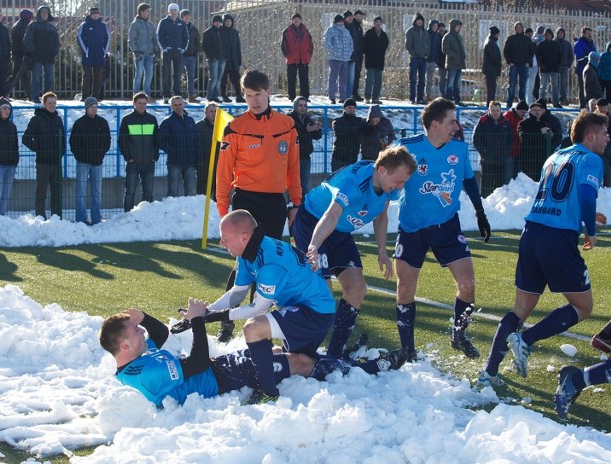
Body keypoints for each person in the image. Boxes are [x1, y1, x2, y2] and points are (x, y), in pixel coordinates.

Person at [478, 110, 607, 388]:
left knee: (521, 308)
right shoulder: (592, 159)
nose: (608, 138)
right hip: (557, 238)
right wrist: (591, 230)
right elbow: (585, 193)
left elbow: (559, 196)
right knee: (583, 306)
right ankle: (526, 340)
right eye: (605, 133)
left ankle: (489, 372)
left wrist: (585, 214)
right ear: (591, 135)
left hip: (532, 231)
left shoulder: (555, 156)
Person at [99, 305, 406, 408]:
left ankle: (346, 363)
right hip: (222, 379)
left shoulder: (137, 356)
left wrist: (144, 316)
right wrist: (196, 321)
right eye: (136, 330)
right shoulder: (146, 375)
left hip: (221, 369)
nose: (142, 331)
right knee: (298, 363)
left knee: (279, 352)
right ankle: (367, 369)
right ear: (124, 346)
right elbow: (197, 363)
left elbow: (162, 336)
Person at [194, 209, 338, 405]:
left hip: (315, 313)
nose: (221, 243)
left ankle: (268, 392)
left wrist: (216, 316)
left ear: (244, 237)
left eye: (224, 238)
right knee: (297, 360)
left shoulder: (269, 262)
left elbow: (258, 308)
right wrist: (207, 311)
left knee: (253, 328)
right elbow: (237, 292)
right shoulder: (249, 251)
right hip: (303, 308)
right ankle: (360, 366)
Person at [393, 98, 492, 362]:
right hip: (412, 228)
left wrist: (481, 214)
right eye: (451, 121)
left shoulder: (458, 149)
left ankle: (458, 334)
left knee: (468, 284)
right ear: (435, 124)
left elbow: (469, 181)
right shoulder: (406, 149)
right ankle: (407, 349)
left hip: (447, 226)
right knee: (405, 289)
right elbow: (385, 177)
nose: (456, 126)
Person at [293, 147, 416, 357]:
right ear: (382, 170)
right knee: (322, 294)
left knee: (357, 288)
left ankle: (334, 353)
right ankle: (299, 351)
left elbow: (381, 216)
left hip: (340, 231)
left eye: (404, 182)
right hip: (313, 223)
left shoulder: (389, 187)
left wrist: (382, 251)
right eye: (399, 181)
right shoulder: (353, 183)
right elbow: (330, 216)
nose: (400, 187)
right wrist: (313, 245)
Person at [214, 70, 300, 342]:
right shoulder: (235, 127)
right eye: (249, 96)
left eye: (258, 95)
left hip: (275, 203)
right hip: (246, 202)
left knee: (267, 265)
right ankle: (225, 324)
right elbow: (223, 173)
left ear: (268, 92)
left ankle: (256, 329)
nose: (254, 101)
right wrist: (223, 215)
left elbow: (294, 168)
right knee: (244, 265)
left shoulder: (287, 124)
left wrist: (296, 202)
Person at [22, 92, 65, 219]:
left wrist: (61, 152)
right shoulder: (36, 119)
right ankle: (40, 217)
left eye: (54, 103)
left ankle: (56, 218)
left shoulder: (58, 119)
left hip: (56, 162)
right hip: (43, 162)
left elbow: (62, 139)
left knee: (56, 192)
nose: (52, 106)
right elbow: (26, 139)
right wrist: (39, 149)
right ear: (44, 104)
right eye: (49, 103)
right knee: (41, 192)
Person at [69, 97, 111, 225]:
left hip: (97, 162)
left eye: (96, 107)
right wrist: (81, 157)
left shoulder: (102, 123)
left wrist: (100, 155)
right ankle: (81, 218)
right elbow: (74, 143)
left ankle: (96, 218)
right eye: (91, 107)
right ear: (86, 108)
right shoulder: (79, 123)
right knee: (80, 191)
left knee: (96, 192)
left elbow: (107, 141)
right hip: (82, 162)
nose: (94, 109)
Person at [118, 92, 160, 212]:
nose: (142, 105)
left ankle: (146, 215)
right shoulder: (127, 120)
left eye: (144, 103)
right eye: (139, 103)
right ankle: (127, 215)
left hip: (149, 162)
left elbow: (157, 139)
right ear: (134, 103)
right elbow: (122, 140)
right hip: (133, 162)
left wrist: (154, 156)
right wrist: (128, 157)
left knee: (148, 192)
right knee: (130, 191)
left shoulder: (152, 119)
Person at [159, 96, 202, 197]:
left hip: (190, 161)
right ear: (171, 107)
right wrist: (173, 152)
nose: (178, 107)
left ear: (184, 104)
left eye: (180, 104)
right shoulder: (167, 122)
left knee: (191, 192)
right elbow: (161, 141)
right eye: (175, 105)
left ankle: (190, 212)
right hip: (175, 162)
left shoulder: (190, 121)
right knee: (173, 192)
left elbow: (197, 139)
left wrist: (198, 157)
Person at [472, 101, 512, 197]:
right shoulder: (483, 121)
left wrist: (505, 152)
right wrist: (484, 153)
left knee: (499, 186)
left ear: (500, 110)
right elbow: (476, 139)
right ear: (489, 110)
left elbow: (510, 140)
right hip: (487, 161)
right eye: (493, 110)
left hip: (501, 160)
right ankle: (485, 206)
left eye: (497, 110)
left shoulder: (505, 122)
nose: (495, 112)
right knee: (486, 186)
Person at [24, 5, 60, 104]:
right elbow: (27, 39)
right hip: (37, 56)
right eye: (43, 13)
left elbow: (57, 41)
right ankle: (35, 97)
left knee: (49, 78)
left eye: (46, 13)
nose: (45, 14)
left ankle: (47, 98)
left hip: (49, 56)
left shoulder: (52, 28)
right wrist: (33, 50)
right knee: (36, 77)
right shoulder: (33, 25)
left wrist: (56, 50)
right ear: (39, 14)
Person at [289, 96, 322, 199]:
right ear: (295, 106)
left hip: (306, 157)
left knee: (305, 185)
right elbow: (293, 135)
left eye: (304, 105)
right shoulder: (290, 119)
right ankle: (292, 206)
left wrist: (316, 129)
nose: (302, 108)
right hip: (293, 157)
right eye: (300, 105)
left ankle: (303, 207)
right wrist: (307, 131)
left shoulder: (307, 119)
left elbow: (317, 136)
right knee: (293, 184)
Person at [157, 3, 188, 104]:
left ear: (178, 11)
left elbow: (186, 38)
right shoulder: (164, 22)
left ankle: (177, 95)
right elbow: (159, 36)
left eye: (175, 9)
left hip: (178, 52)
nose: (173, 11)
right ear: (169, 11)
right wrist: (164, 48)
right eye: (172, 10)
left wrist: (182, 48)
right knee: (166, 74)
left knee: (178, 74)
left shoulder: (182, 23)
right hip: (167, 52)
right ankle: (166, 95)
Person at [129, 3, 161, 98]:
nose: (149, 13)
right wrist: (135, 52)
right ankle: (136, 95)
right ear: (141, 12)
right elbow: (131, 40)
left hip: (149, 54)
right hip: (140, 54)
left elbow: (154, 40)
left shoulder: (150, 25)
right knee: (139, 74)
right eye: (147, 11)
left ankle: (147, 95)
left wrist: (156, 52)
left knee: (149, 75)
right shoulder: (135, 24)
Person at [77, 7, 110, 101]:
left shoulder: (103, 26)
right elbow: (79, 37)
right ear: (90, 14)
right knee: (87, 76)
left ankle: (96, 97)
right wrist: (85, 50)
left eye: (97, 13)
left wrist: (104, 51)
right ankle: (85, 97)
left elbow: (107, 38)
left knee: (98, 76)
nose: (95, 15)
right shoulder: (85, 25)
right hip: (88, 55)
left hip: (99, 55)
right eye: (93, 13)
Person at [281, 13, 313, 102]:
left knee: (304, 79)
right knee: (291, 79)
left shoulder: (306, 31)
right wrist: (288, 55)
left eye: (298, 19)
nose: (296, 20)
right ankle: (291, 97)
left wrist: (309, 55)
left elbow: (310, 44)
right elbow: (283, 45)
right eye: (295, 19)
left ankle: (305, 97)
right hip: (292, 59)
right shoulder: (287, 31)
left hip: (304, 58)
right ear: (292, 20)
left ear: (300, 20)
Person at [518, 101, 551, 181]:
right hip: (529, 158)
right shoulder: (523, 123)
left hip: (542, 157)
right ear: (530, 111)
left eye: (539, 110)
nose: (537, 112)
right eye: (535, 110)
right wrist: (540, 132)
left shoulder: (545, 124)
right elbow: (523, 136)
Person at [324, 14, 353, 105]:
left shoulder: (346, 31)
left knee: (344, 79)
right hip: (335, 58)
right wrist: (335, 51)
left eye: (341, 21)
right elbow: (327, 42)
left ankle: (342, 97)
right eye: (338, 21)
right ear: (335, 22)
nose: (340, 23)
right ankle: (332, 96)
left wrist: (349, 52)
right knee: (333, 78)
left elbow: (351, 43)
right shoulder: (330, 30)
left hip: (345, 59)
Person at [503, 22, 534, 109]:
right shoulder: (511, 39)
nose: (519, 29)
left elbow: (531, 51)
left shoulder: (527, 39)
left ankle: (522, 102)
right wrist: (509, 62)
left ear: (522, 28)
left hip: (524, 65)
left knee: (523, 85)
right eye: (517, 27)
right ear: (515, 29)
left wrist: (528, 62)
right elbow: (506, 51)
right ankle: (510, 101)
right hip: (514, 66)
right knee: (512, 84)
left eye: (520, 27)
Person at [331, 98, 366, 172]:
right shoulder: (337, 121)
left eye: (354, 108)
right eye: (349, 107)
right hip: (338, 159)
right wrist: (357, 129)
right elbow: (340, 131)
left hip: (352, 159)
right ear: (344, 108)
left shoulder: (359, 121)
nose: (352, 109)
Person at [6, 9, 34, 100]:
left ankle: (31, 95)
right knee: (16, 75)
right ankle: (4, 93)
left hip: (17, 54)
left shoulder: (18, 25)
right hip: (21, 55)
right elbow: (24, 42)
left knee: (23, 76)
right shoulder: (23, 26)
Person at [363, 16, 389, 105]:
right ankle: (367, 97)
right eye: (376, 22)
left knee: (378, 80)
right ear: (374, 23)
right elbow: (365, 46)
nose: (378, 24)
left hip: (379, 61)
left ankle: (375, 98)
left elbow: (385, 46)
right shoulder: (369, 33)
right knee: (369, 80)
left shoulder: (384, 35)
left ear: (381, 24)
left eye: (379, 22)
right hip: (370, 60)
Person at [219, 14, 244, 103]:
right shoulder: (220, 31)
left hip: (233, 60)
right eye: (226, 21)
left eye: (230, 21)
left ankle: (239, 96)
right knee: (223, 80)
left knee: (236, 80)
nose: (228, 23)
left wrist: (238, 59)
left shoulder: (234, 32)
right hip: (223, 60)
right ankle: (223, 95)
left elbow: (237, 47)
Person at [405, 13, 429, 105]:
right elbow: (408, 45)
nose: (420, 22)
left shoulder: (425, 32)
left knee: (422, 80)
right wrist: (413, 54)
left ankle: (420, 98)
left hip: (423, 59)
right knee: (413, 79)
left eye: (421, 20)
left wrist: (427, 54)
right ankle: (412, 98)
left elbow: (428, 44)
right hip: (414, 58)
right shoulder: (410, 31)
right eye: (418, 20)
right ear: (415, 21)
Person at [202, 15, 226, 103]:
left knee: (219, 79)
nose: (217, 23)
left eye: (219, 22)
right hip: (213, 59)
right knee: (213, 78)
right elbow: (205, 46)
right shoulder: (208, 32)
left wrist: (225, 55)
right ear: (213, 22)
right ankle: (210, 96)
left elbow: (226, 45)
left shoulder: (223, 32)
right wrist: (211, 56)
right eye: (216, 21)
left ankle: (215, 96)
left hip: (222, 58)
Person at [196, 102, 218, 196]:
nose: (213, 113)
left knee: (219, 197)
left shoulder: (222, 126)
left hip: (219, 167)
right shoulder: (198, 126)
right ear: (205, 113)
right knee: (203, 196)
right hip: (204, 167)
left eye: (215, 111)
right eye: (211, 111)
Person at [502, 100, 528, 181]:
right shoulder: (508, 117)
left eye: (525, 112)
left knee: (516, 175)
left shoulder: (521, 119)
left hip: (517, 150)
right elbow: (507, 133)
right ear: (517, 110)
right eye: (522, 112)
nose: (523, 114)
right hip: (509, 151)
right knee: (508, 175)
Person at [442, 19, 466, 106]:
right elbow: (445, 49)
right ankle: (448, 99)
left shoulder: (459, 37)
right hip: (451, 63)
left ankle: (457, 98)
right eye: (457, 26)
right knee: (450, 82)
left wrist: (463, 56)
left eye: (459, 26)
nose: (458, 28)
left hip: (459, 63)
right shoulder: (447, 37)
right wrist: (455, 55)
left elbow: (461, 48)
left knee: (457, 83)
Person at [536, 28, 562, 108]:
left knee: (555, 86)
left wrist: (558, 65)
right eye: (546, 35)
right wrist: (541, 64)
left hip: (554, 68)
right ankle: (540, 103)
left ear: (552, 35)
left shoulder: (556, 44)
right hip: (544, 69)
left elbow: (560, 55)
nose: (548, 36)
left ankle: (555, 102)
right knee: (543, 86)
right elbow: (537, 56)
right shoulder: (541, 44)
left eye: (549, 35)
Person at [180, 9, 200, 103]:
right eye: (185, 16)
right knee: (177, 75)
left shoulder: (194, 29)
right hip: (181, 55)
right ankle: (178, 95)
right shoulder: (178, 27)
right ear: (182, 17)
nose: (187, 18)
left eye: (188, 16)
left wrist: (195, 53)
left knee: (191, 76)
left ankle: (191, 96)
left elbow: (197, 42)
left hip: (191, 56)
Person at [575, 27, 597, 109]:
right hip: (582, 69)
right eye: (588, 34)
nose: (590, 36)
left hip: (592, 70)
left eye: (590, 34)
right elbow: (579, 58)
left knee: (591, 87)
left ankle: (591, 104)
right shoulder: (579, 43)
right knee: (582, 87)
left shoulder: (591, 43)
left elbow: (595, 54)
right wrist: (589, 59)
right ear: (583, 34)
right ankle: (583, 105)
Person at [345, 10, 365, 102]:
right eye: (360, 16)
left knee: (356, 75)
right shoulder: (351, 26)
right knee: (349, 76)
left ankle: (354, 93)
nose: (361, 18)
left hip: (358, 54)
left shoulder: (358, 27)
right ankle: (349, 93)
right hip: (351, 55)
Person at [482, 26, 502, 106]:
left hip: (490, 69)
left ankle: (490, 103)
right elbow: (494, 57)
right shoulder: (491, 43)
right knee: (491, 89)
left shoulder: (490, 42)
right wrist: (499, 64)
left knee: (491, 88)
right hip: (491, 70)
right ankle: (490, 104)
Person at [555, 28, 574, 106]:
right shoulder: (554, 43)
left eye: (562, 33)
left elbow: (571, 55)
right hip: (555, 67)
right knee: (555, 84)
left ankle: (563, 99)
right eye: (559, 33)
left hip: (564, 66)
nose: (560, 34)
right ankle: (555, 100)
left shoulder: (567, 44)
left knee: (564, 84)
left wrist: (568, 64)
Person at [526, 27, 541, 106]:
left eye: (530, 33)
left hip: (534, 66)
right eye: (528, 33)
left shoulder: (534, 43)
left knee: (532, 85)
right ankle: (527, 101)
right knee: (526, 85)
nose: (530, 34)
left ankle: (530, 101)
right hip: (527, 66)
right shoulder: (524, 43)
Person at [425, 19, 440, 102]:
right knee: (422, 79)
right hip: (425, 59)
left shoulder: (437, 36)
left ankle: (428, 95)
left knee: (430, 79)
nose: (435, 28)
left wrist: (436, 59)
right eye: (434, 26)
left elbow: (437, 48)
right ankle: (421, 95)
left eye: (436, 26)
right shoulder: (426, 34)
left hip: (432, 60)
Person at [436, 23, 447, 98]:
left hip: (449, 61)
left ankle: (448, 94)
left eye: (442, 28)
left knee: (449, 80)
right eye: (440, 28)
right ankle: (443, 94)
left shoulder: (448, 36)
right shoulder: (436, 37)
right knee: (442, 78)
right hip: (441, 61)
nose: (441, 30)